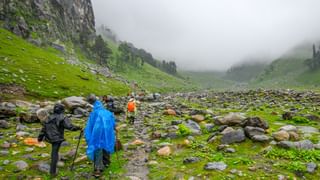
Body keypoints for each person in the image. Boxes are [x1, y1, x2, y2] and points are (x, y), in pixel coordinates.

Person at [38, 103, 81, 177]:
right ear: (62, 109)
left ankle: (55, 165)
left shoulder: (48, 117)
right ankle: (52, 172)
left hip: (50, 138)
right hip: (57, 138)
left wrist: (40, 138)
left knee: (54, 151)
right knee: (54, 153)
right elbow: (69, 126)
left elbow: (43, 129)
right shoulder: (63, 117)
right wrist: (78, 128)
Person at [84, 94, 116, 177]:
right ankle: (106, 162)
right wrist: (114, 127)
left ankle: (98, 169)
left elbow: (90, 125)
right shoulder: (106, 111)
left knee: (97, 148)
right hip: (107, 132)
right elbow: (112, 121)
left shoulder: (94, 113)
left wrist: (87, 132)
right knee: (105, 145)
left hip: (97, 133)